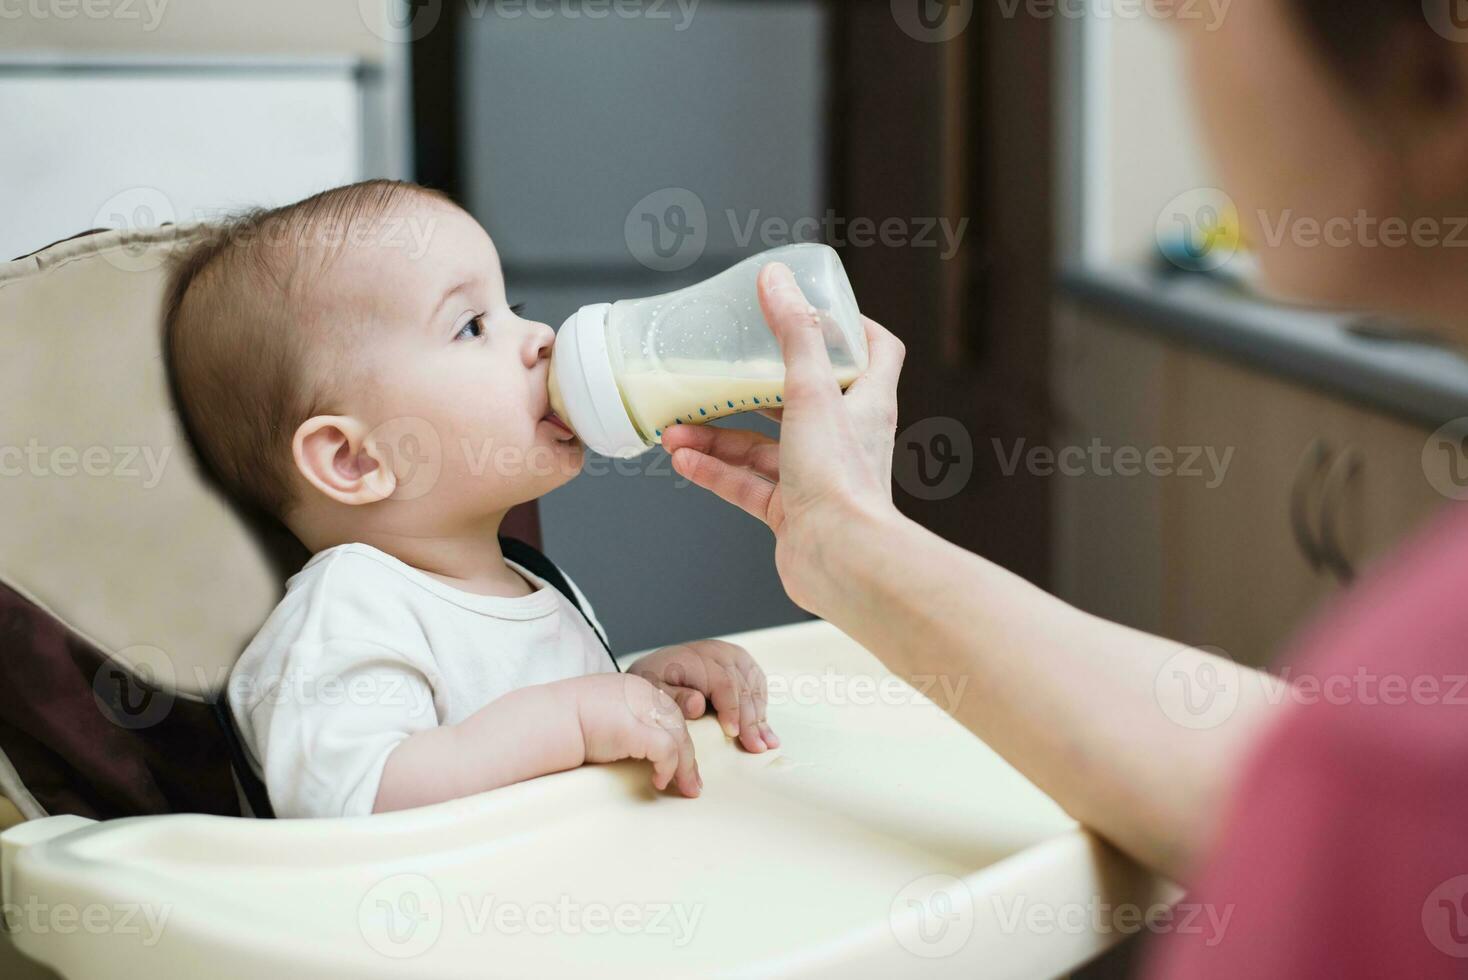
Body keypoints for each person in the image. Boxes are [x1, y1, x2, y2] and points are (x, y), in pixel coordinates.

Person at [662, 1, 1468, 973]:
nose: (1167, 13)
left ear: (1427, 63)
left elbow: (1353, 787)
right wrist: (843, 539)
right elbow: (1271, 770)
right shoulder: (1389, 742)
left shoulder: (1404, 743)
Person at [163, 180, 777, 819]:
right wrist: (571, 721)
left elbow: (557, 756)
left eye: (513, 306)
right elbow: (346, 801)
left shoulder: (533, 581)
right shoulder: (350, 607)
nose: (540, 336)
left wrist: (645, 693)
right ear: (355, 459)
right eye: (472, 325)